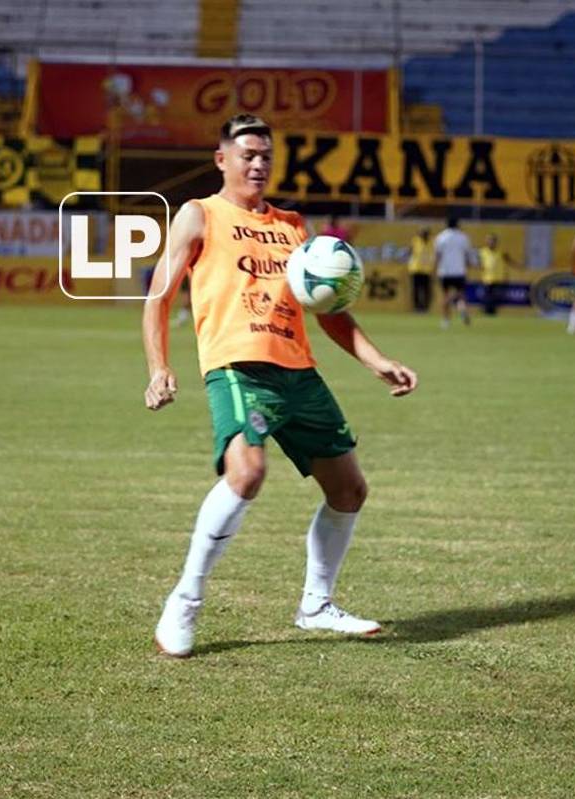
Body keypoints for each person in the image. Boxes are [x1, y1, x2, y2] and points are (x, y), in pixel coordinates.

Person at [142, 114, 418, 658]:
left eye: (266, 154)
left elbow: (328, 310)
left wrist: (375, 360)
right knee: (246, 473)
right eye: (247, 154)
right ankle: (185, 600)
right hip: (237, 367)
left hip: (298, 372)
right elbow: (159, 294)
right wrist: (159, 366)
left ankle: (316, 606)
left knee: (349, 490)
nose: (258, 163)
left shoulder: (293, 228)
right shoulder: (199, 216)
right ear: (222, 159)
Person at [434, 216, 473, 327]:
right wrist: (468, 265)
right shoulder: (463, 237)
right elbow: (467, 255)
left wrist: (435, 268)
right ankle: (462, 310)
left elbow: (438, 255)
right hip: (459, 271)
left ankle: (446, 320)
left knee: (445, 295)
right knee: (460, 296)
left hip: (445, 271)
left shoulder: (441, 237)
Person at [477, 233, 516, 316]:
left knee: (496, 298)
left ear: (496, 242)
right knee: (487, 297)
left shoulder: (501, 252)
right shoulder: (482, 252)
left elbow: (509, 261)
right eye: (489, 240)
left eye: (493, 241)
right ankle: (487, 312)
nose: (491, 242)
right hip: (487, 279)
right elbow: (479, 264)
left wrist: (516, 268)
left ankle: (492, 312)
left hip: (498, 278)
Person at [406, 227, 433, 313]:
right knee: (416, 290)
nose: (423, 235)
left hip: (427, 270)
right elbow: (409, 252)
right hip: (416, 269)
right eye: (422, 233)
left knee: (426, 290)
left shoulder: (432, 242)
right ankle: (417, 308)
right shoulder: (415, 241)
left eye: (425, 233)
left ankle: (425, 308)